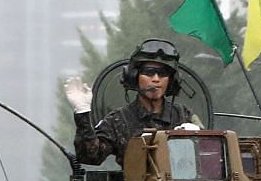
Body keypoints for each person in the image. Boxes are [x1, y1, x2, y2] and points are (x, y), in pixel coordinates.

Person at [72, 39, 198, 168]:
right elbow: (90, 156)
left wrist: (197, 138)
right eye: (149, 72)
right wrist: (82, 114)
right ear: (134, 76)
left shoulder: (183, 116)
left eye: (162, 74)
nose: (156, 79)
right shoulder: (118, 119)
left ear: (172, 81)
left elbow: (208, 158)